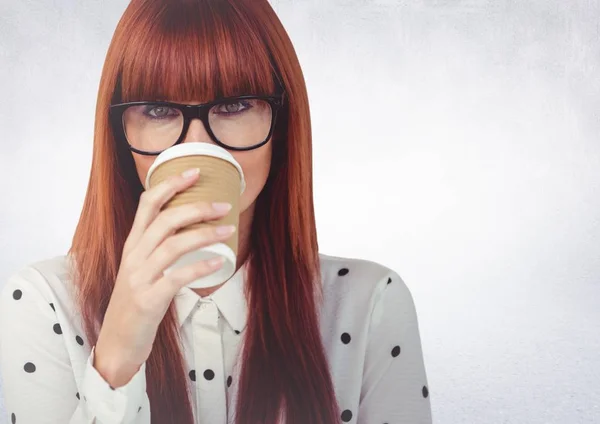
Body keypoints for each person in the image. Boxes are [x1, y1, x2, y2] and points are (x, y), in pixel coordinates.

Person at [0, 0, 432, 423]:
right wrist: (115, 360)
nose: (198, 145)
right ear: (120, 134)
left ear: (281, 125)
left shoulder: (370, 304)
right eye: (158, 109)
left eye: (233, 105)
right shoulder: (44, 303)